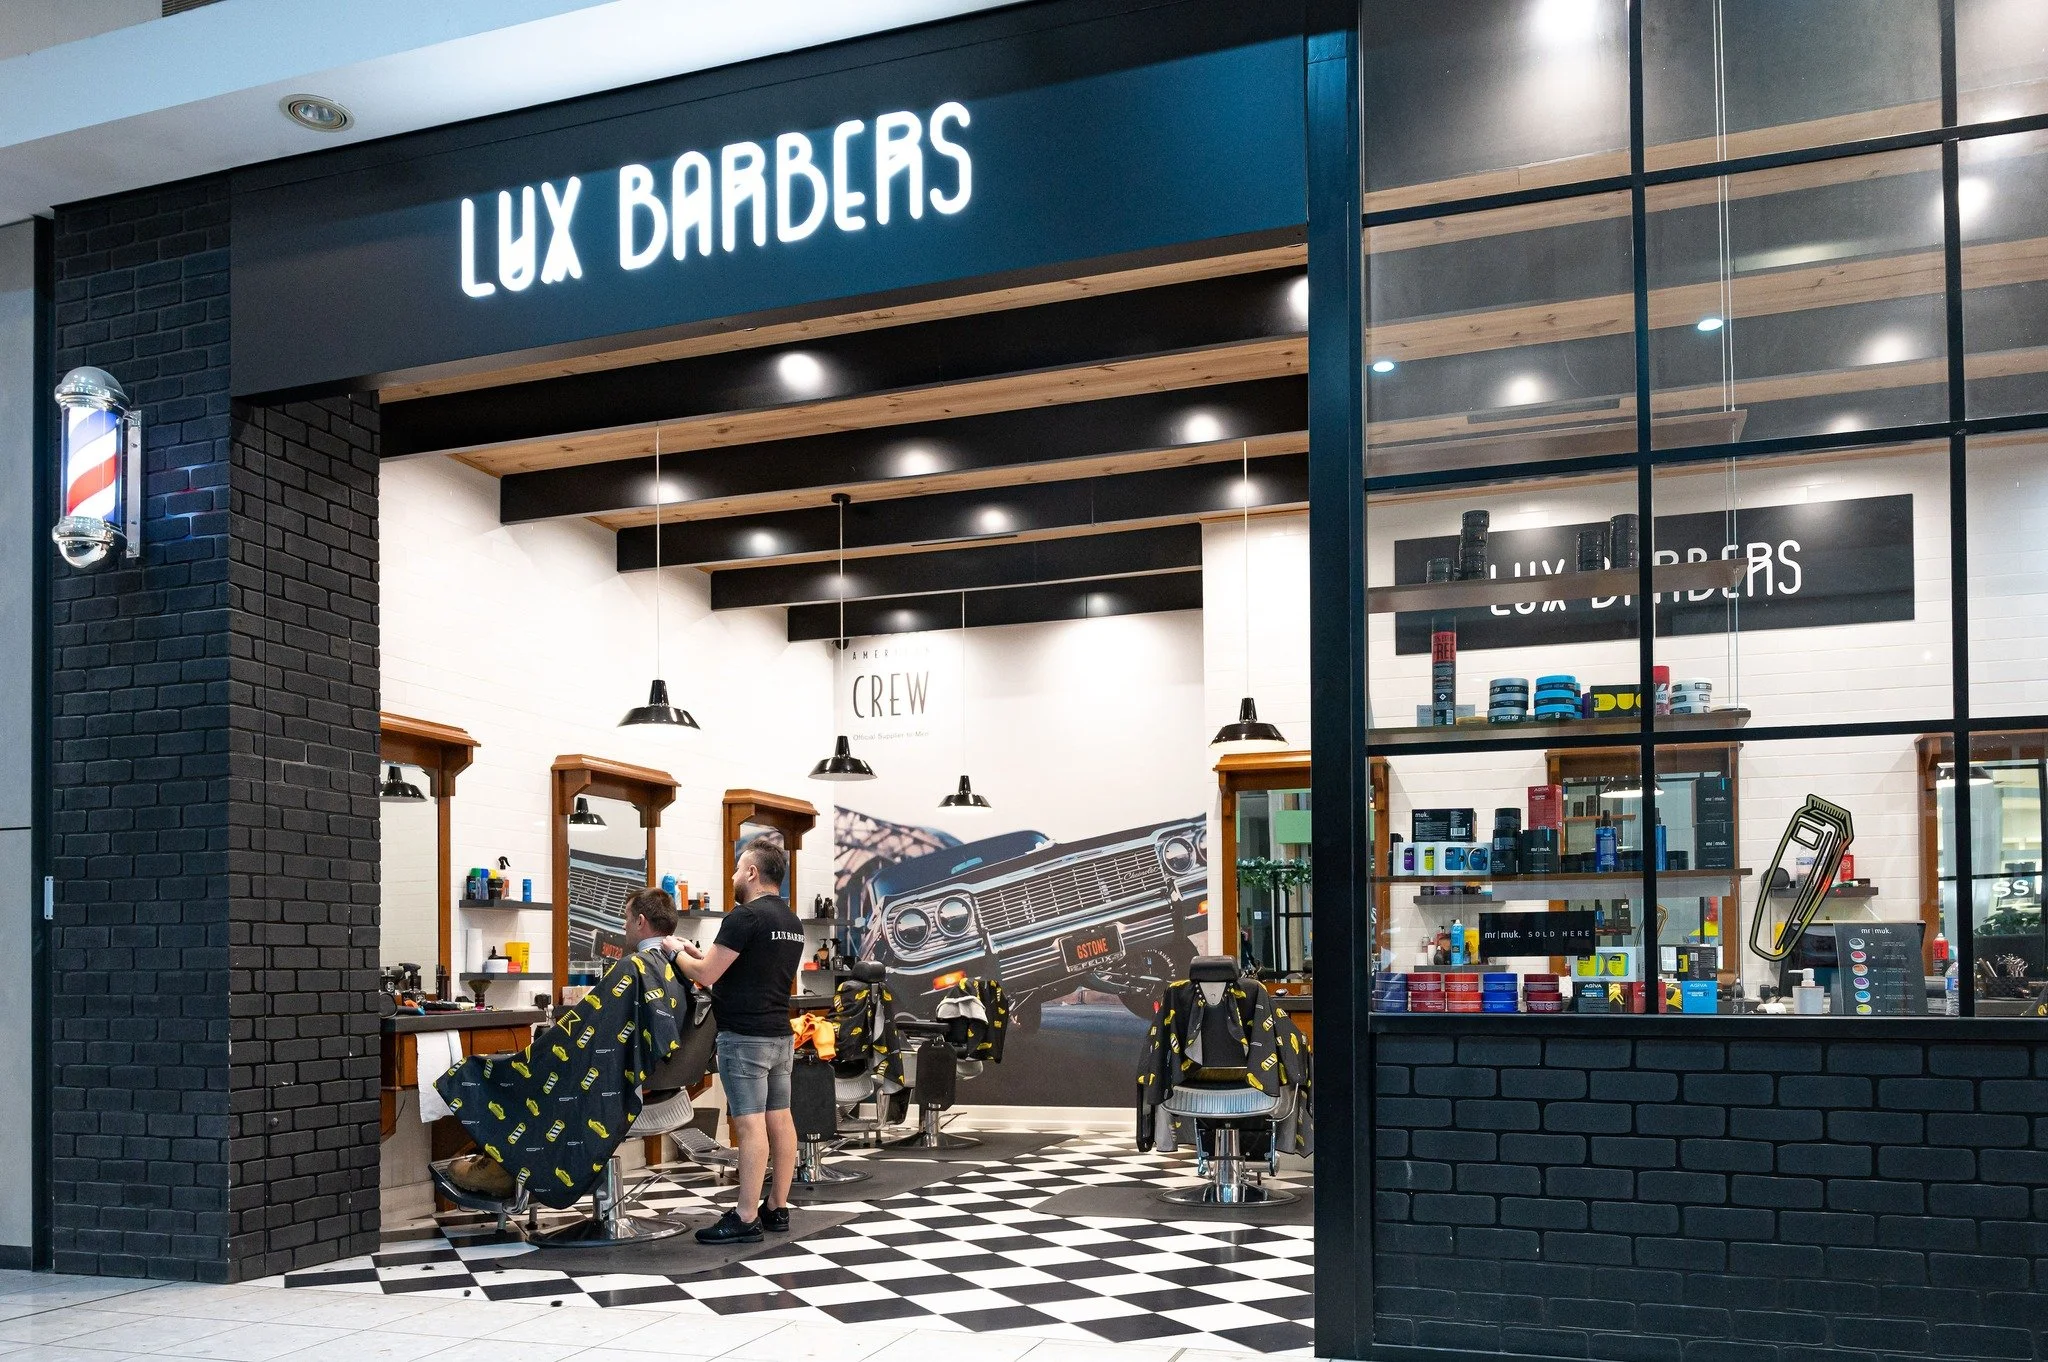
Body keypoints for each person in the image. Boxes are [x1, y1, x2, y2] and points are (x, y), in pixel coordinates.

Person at [443, 885, 684, 1200]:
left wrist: (547, 1044)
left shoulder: (634, 967)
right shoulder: (678, 965)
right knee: (547, 1074)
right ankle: (509, 1165)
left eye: (626, 918)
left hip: (616, 1084)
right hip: (655, 1084)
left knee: (503, 1072)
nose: (623, 925)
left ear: (641, 921)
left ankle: (505, 1168)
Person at [669, 840, 805, 1244]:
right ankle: (777, 1207)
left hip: (745, 1039)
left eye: (737, 869)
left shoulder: (744, 917)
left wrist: (676, 952)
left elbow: (706, 975)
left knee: (749, 1126)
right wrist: (697, 953)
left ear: (752, 872)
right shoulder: (792, 921)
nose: (732, 876)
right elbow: (744, 969)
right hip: (780, 1036)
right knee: (781, 1120)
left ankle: (745, 1217)